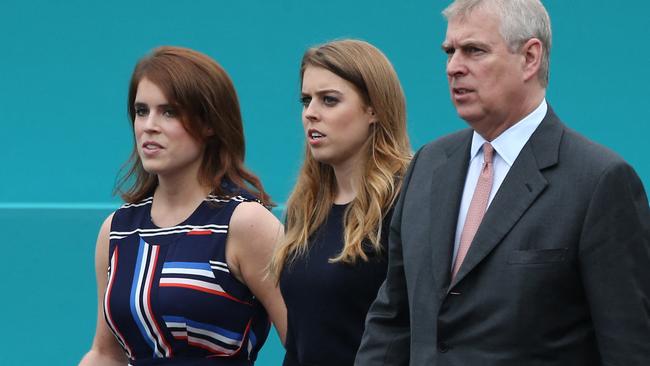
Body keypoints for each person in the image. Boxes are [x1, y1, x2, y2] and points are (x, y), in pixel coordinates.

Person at [355, 0, 650, 365]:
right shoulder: (428, 166)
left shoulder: (599, 181)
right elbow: (392, 321)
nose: (453, 67)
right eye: (449, 52)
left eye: (474, 50)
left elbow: (628, 348)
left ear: (530, 57)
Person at [79, 46, 286, 365]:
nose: (149, 125)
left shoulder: (245, 223)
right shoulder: (116, 231)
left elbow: (305, 343)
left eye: (169, 112)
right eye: (141, 110)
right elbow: (106, 354)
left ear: (209, 123)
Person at [268, 39, 411, 366]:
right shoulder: (304, 209)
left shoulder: (407, 200)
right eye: (306, 101)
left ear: (374, 108)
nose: (311, 114)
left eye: (329, 100)